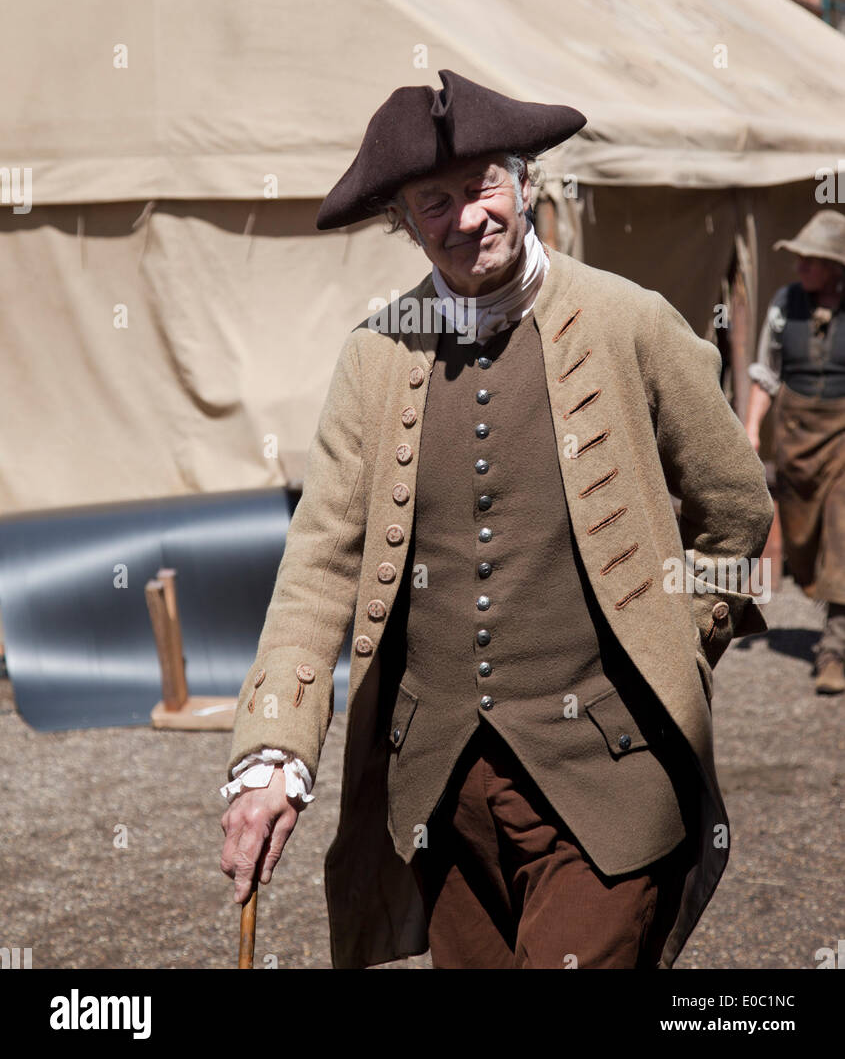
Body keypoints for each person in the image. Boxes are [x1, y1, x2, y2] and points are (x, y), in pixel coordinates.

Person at [219, 69, 772, 969]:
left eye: (483, 186)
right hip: (438, 798)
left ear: (525, 183)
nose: (467, 217)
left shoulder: (628, 322)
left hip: (611, 778)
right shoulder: (373, 356)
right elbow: (321, 564)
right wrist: (271, 756)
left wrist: (676, 638)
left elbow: (734, 510)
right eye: (432, 203)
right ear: (402, 222)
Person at [745, 209, 845, 696]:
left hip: (844, 435)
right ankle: (829, 608)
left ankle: (834, 650)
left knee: (843, 535)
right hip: (797, 437)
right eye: (800, 258)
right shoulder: (786, 303)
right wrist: (751, 430)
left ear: (835, 266)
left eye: (813, 259)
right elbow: (766, 370)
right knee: (805, 548)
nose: (802, 266)